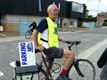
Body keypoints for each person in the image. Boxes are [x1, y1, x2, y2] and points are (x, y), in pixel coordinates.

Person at [32, 3, 75, 80]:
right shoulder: (45, 21)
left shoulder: (53, 23)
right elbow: (35, 33)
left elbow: (54, 36)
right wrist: (37, 46)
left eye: (57, 10)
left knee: (49, 67)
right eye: (55, 10)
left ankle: (46, 78)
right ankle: (63, 75)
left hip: (52, 48)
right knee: (71, 54)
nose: (57, 12)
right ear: (49, 12)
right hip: (49, 48)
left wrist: (66, 41)